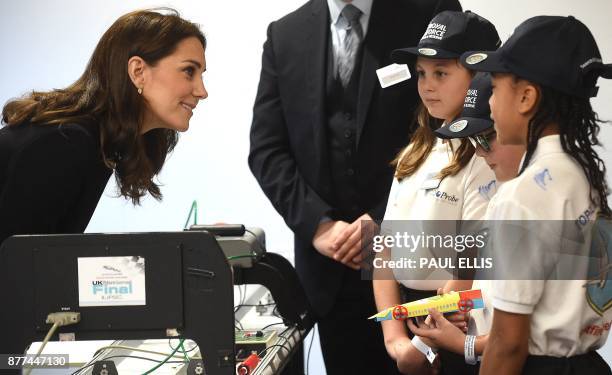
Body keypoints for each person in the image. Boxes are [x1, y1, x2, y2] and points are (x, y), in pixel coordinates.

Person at [247, 0, 461, 373]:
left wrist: (383, 219)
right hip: (329, 275)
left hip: (420, 276)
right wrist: (320, 226)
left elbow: (449, 131)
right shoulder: (284, 35)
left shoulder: (428, 11)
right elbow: (267, 149)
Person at [458, 15, 612, 374]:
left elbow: (509, 343)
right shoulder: (585, 174)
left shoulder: (522, 196)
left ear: (526, 97)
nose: (490, 104)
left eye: (494, 89)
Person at [0, 9, 208, 245]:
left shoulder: (97, 142)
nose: (202, 91)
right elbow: (19, 270)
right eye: (189, 71)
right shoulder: (65, 143)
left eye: (201, 75)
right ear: (138, 71)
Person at [372, 11, 500, 375]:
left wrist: (422, 347)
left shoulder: (487, 157)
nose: (427, 85)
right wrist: (395, 339)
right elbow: (384, 249)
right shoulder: (415, 151)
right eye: (421, 73)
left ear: (479, 77)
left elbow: (470, 269)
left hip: (460, 328)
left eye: (441, 73)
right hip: (413, 324)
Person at [405, 72, 526, 375]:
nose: (481, 152)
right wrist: (427, 340)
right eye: (473, 140)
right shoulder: (505, 200)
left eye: (487, 137)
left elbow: (526, 337)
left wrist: (463, 345)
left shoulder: (531, 204)